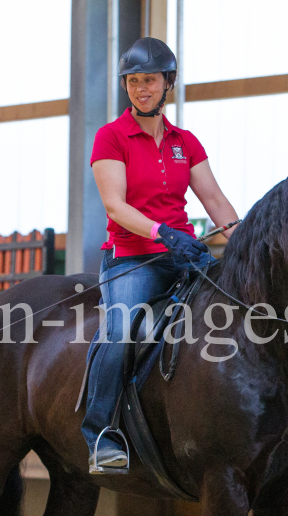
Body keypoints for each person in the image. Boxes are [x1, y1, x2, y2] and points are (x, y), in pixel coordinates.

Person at [83, 37, 239, 472]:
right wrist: (163, 234)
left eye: (149, 80)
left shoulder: (184, 142)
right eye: (133, 82)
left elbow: (216, 203)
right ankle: (100, 434)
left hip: (184, 253)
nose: (140, 89)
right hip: (133, 257)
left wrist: (246, 242)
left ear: (167, 82)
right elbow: (115, 205)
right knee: (121, 332)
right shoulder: (111, 137)